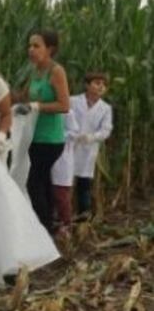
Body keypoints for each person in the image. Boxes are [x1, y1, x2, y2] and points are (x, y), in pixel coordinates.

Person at [14, 29, 70, 231]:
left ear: (50, 49)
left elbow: (64, 105)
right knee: (44, 181)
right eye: (30, 45)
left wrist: (37, 106)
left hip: (51, 139)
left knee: (33, 183)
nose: (31, 50)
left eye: (36, 46)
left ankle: (43, 228)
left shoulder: (56, 71)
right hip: (35, 137)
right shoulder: (34, 71)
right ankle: (49, 226)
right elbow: (23, 97)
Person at [71, 72, 113, 217]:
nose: (101, 86)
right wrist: (73, 134)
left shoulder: (105, 108)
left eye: (104, 84)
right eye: (97, 83)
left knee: (84, 184)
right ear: (87, 85)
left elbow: (106, 130)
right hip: (69, 145)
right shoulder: (73, 101)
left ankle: (83, 217)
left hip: (88, 149)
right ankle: (61, 216)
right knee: (63, 183)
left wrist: (91, 137)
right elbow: (64, 119)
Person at [50, 111, 79, 233]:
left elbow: (74, 132)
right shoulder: (42, 110)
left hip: (62, 157)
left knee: (60, 194)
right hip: (46, 156)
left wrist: (57, 135)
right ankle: (53, 222)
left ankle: (66, 224)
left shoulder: (67, 112)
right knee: (48, 193)